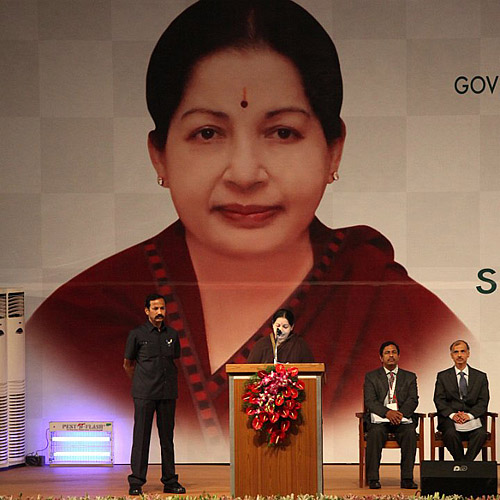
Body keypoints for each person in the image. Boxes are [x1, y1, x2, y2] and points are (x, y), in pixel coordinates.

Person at [26, 0, 469, 460]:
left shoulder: (404, 313)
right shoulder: (77, 321)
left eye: (281, 133)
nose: (244, 173)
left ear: (333, 150)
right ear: (159, 155)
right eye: (207, 133)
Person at [123, 293, 186, 495]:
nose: (160, 313)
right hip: (144, 393)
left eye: (162, 309)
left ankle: (170, 481)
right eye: (155, 309)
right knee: (141, 437)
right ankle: (136, 482)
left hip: (167, 393)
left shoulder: (172, 335)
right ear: (147, 311)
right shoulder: (137, 334)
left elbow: (174, 359)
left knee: (167, 438)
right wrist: (141, 383)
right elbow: (127, 364)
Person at [363, 341, 418, 490]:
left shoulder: (410, 377)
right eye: (387, 353)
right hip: (380, 419)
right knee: (375, 433)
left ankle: (407, 478)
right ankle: (373, 478)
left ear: (399, 356)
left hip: (402, 420)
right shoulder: (371, 377)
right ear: (381, 358)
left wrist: (399, 415)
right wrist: (387, 413)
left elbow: (413, 400)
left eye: (394, 352)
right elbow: (370, 401)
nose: (391, 355)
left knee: (410, 433)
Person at [433, 340, 489, 461]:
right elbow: (439, 400)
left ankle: (465, 465)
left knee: (481, 434)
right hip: (450, 419)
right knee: (450, 434)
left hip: (472, 418)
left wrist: (469, 415)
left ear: (468, 353)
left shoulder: (480, 377)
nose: (459, 355)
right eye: (456, 352)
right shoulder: (443, 376)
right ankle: (464, 466)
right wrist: (453, 415)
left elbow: (483, 401)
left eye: (462, 351)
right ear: (451, 355)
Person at [247, 308, 313, 363]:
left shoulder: (299, 344)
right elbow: (249, 370)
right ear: (273, 325)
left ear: (292, 327)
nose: (280, 330)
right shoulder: (262, 344)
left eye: (285, 326)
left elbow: (311, 370)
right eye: (277, 326)